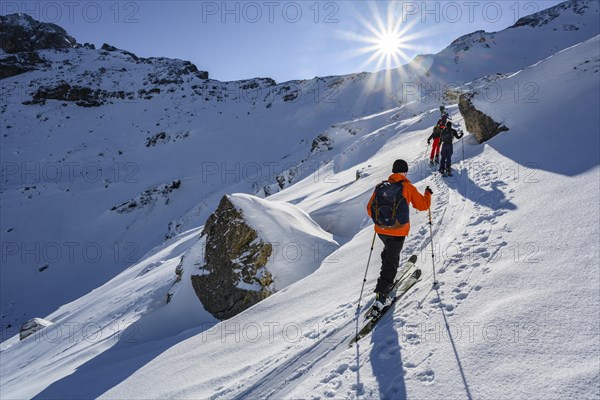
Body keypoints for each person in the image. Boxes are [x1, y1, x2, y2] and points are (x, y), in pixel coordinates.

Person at [366, 159, 432, 310]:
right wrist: (428, 194)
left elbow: (369, 208)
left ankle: (387, 280)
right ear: (404, 172)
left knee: (389, 255)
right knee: (390, 261)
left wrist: (383, 221)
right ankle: (382, 296)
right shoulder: (407, 187)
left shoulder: (380, 187)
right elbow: (423, 205)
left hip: (381, 231)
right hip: (398, 231)